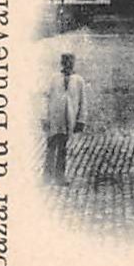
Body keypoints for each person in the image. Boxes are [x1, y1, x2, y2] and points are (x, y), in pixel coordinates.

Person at [41, 53, 87, 185]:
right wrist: (45, 118)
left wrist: (81, 120)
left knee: (63, 147)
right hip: (54, 117)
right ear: (62, 63)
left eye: (70, 62)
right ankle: (47, 176)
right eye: (65, 62)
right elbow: (46, 98)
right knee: (51, 145)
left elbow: (83, 102)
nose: (68, 65)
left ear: (73, 63)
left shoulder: (79, 81)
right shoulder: (54, 79)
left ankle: (60, 176)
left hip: (68, 118)